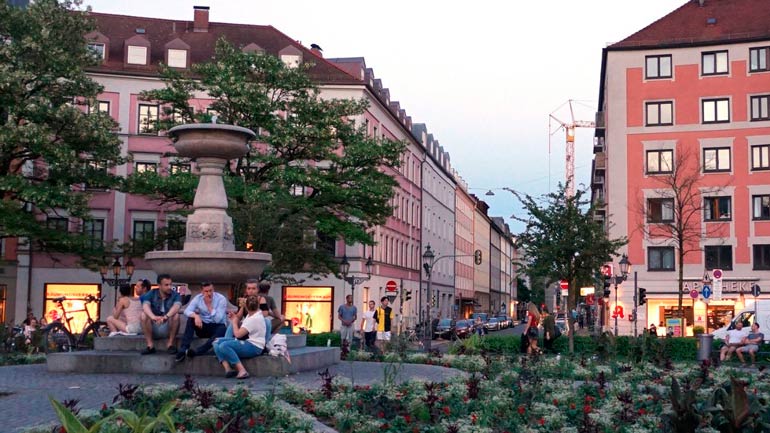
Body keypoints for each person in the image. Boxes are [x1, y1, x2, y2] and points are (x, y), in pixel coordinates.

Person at [213, 295, 267, 379]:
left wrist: (234, 322)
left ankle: (242, 370)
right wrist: (235, 318)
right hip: (247, 342)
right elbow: (243, 327)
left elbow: (238, 334)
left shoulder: (254, 318)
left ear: (246, 306)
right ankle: (228, 368)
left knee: (224, 345)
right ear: (258, 306)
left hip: (254, 346)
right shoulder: (253, 314)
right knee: (216, 342)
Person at [176, 281, 228, 362]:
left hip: (216, 327)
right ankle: (183, 349)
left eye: (211, 290)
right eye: (206, 291)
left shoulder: (221, 299)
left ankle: (198, 351)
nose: (209, 293)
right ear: (202, 292)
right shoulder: (198, 298)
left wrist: (209, 306)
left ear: (213, 289)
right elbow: (186, 311)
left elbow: (218, 319)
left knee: (223, 328)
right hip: (202, 327)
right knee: (191, 319)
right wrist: (196, 316)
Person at [139, 274, 182, 355]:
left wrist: (166, 316)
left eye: (170, 284)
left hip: (167, 325)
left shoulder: (175, 295)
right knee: (143, 315)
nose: (169, 287)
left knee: (176, 315)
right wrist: (153, 317)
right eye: (166, 285)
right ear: (159, 285)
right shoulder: (151, 293)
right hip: (153, 326)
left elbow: (177, 306)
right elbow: (145, 306)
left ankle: (170, 344)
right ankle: (150, 345)